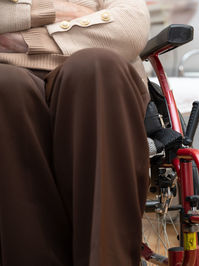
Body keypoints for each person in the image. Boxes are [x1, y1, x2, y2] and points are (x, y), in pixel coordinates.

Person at [0, 0, 151, 265]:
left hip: (96, 79)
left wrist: (25, 41)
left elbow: (129, 28)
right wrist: (56, 13)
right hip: (9, 77)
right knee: (5, 85)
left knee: (97, 66)